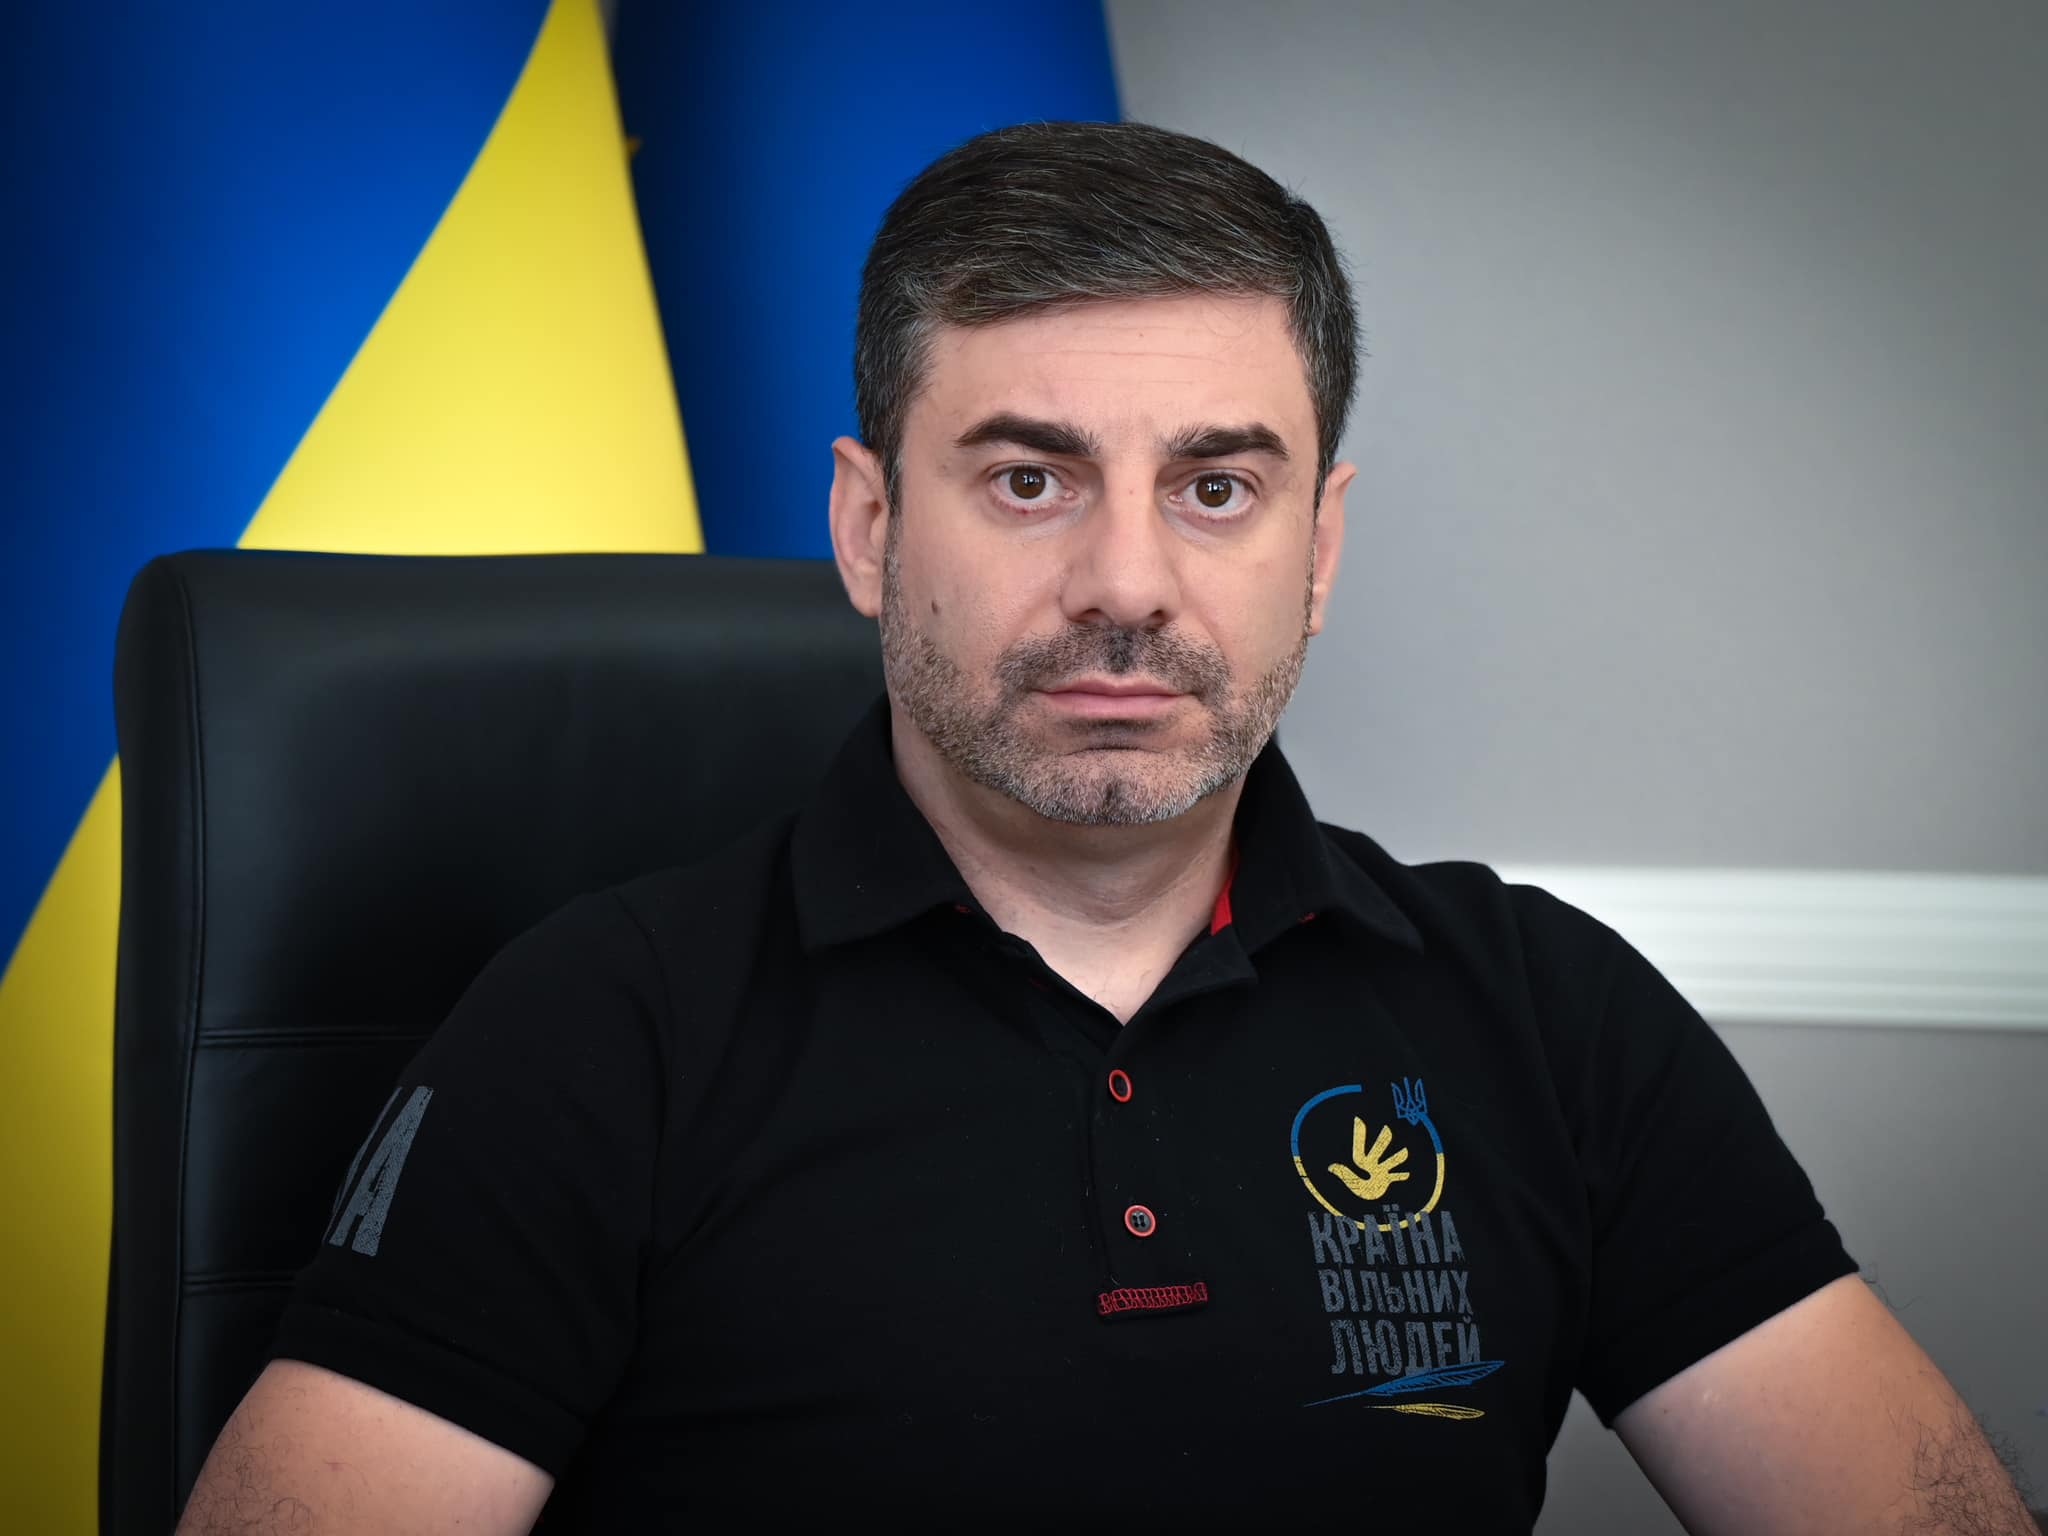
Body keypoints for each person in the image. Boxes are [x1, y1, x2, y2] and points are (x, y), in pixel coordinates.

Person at [177, 121, 2035, 1533]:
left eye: (1217, 487)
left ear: (1321, 546)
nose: (1127, 583)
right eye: (1027, 478)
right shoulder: (598, 1033)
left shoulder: (1555, 1018)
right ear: (868, 528)